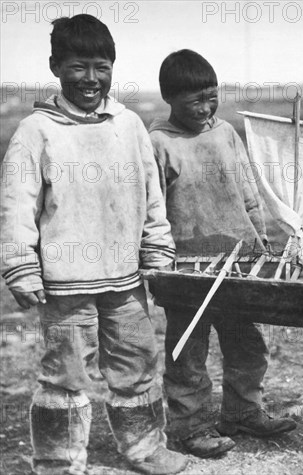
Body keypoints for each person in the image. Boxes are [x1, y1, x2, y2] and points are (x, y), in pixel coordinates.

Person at [0, 14, 188, 475]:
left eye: (101, 66)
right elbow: (15, 207)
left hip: (124, 278)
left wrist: (157, 249)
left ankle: (144, 449)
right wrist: (20, 266)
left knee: (136, 362)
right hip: (65, 284)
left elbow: (151, 194)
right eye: (78, 66)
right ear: (55, 66)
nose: (90, 78)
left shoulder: (129, 126)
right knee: (65, 374)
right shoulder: (35, 131)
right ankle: (59, 463)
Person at [149, 49, 296, 460]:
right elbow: (151, 209)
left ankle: (243, 412)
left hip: (240, 260)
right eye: (195, 99)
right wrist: (158, 264)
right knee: (187, 351)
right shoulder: (158, 143)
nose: (205, 106)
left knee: (246, 342)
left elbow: (248, 191)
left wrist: (261, 239)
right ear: (170, 99)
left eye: (211, 96)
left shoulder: (226, 132)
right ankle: (189, 426)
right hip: (187, 269)